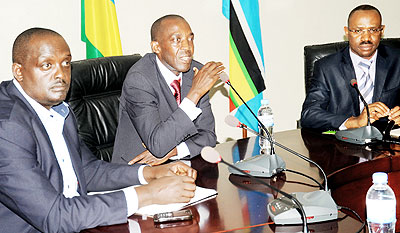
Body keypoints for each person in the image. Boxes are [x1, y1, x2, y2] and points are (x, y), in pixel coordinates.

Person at [0, 27, 197, 233]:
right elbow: (55, 216)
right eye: (47, 65)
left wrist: (151, 173)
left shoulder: (56, 108)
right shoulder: (7, 127)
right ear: (18, 71)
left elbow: (87, 170)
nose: (61, 75)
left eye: (66, 63)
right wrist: (147, 194)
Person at [112, 14, 224, 165]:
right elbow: (158, 145)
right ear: (156, 47)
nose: (187, 48)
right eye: (177, 40)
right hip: (138, 172)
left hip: (180, 165)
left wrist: (175, 151)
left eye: (190, 39)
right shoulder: (139, 80)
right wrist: (195, 93)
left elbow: (209, 137)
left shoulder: (196, 72)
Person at [301, 4, 400, 131]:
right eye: (358, 31)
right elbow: (309, 114)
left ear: (382, 30)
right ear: (347, 32)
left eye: (373, 30)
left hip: (388, 145)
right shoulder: (327, 68)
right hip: (344, 146)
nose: (366, 38)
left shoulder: (397, 60)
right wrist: (354, 122)